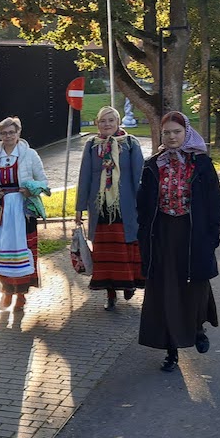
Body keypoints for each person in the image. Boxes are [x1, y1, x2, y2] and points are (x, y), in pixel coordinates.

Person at [136, 110, 220, 372]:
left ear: (186, 133)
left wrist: (212, 237)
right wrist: (143, 235)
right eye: (167, 132)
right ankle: (171, 350)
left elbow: (215, 203)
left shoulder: (201, 164)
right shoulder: (153, 164)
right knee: (165, 293)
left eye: (177, 131)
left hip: (193, 234)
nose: (172, 136)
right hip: (162, 235)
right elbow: (143, 205)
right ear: (161, 135)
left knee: (195, 285)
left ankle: (197, 327)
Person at [74, 106, 146, 310]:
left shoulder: (130, 144)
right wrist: (79, 208)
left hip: (125, 207)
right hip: (100, 208)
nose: (107, 124)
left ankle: (128, 283)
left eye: (111, 120)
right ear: (97, 124)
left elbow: (139, 176)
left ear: (118, 123)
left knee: (127, 248)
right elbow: (85, 177)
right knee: (105, 254)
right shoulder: (91, 146)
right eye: (103, 121)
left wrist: (143, 204)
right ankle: (110, 293)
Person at [0, 117, 50, 311]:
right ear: (0, 135)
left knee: (24, 250)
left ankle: (20, 294)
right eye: (4, 133)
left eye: (12, 132)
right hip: (2, 210)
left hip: (23, 210)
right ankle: (5, 292)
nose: (8, 136)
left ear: (19, 133)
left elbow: (43, 182)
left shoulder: (30, 155)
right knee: (2, 252)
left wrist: (31, 190)